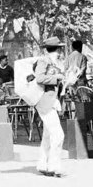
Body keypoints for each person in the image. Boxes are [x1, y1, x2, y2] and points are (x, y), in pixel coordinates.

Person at [34, 36, 67, 177]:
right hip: (45, 102)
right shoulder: (44, 61)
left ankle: (43, 164)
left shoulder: (52, 62)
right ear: (58, 49)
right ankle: (54, 166)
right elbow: (39, 78)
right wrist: (57, 79)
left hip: (50, 101)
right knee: (58, 135)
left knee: (48, 135)